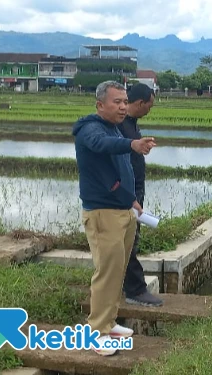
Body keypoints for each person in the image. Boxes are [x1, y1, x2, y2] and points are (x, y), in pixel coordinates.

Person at [72, 80, 157, 356]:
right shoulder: (90, 129)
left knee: (118, 272)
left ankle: (108, 323)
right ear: (100, 105)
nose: (123, 107)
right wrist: (132, 144)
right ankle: (96, 333)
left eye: (124, 101)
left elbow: (116, 171)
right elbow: (102, 145)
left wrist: (131, 201)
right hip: (103, 213)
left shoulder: (115, 127)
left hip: (122, 209)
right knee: (106, 274)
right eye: (116, 102)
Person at [117, 83, 163, 307]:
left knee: (130, 238)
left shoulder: (131, 125)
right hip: (127, 191)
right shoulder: (119, 127)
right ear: (140, 103)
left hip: (135, 188)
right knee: (129, 239)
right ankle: (135, 290)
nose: (150, 111)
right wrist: (129, 195)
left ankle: (125, 285)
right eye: (149, 107)